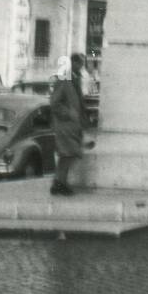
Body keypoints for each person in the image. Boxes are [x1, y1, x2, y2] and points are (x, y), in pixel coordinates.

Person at [50, 53, 91, 196]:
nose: (81, 67)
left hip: (73, 126)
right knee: (67, 154)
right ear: (73, 63)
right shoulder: (64, 79)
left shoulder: (75, 78)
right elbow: (55, 103)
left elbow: (79, 101)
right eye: (79, 63)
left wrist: (83, 119)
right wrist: (68, 113)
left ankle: (59, 182)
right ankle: (60, 183)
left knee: (68, 155)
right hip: (65, 125)